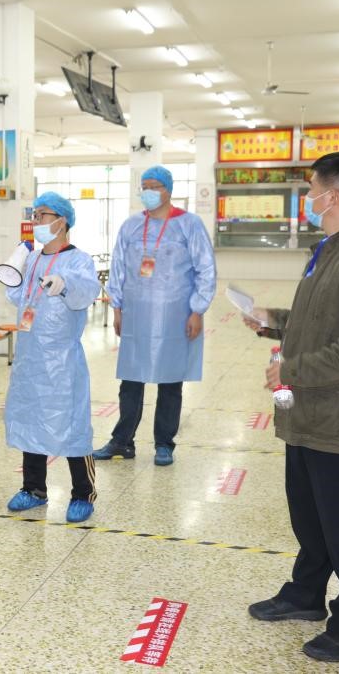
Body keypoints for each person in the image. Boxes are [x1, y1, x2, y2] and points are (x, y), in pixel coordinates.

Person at [243, 151, 339, 663]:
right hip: (309, 416)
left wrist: (294, 369)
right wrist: (273, 320)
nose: (307, 198)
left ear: (332, 196)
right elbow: (320, 322)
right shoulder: (329, 251)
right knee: (311, 519)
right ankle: (306, 593)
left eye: (312, 189)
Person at [93, 165, 216, 466]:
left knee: (170, 381)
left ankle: (164, 443)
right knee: (131, 381)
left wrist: (197, 310)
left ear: (168, 190)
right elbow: (119, 268)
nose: (147, 192)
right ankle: (122, 441)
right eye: (144, 186)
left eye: (154, 186)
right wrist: (117, 307)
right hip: (136, 315)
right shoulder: (132, 226)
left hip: (175, 315)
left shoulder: (189, 225)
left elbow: (205, 269)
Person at [3, 193, 101, 521]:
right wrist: (13, 272)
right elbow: (18, 297)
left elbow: (86, 292)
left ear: (62, 220)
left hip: (62, 360)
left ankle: (83, 493)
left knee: (72, 424)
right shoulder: (32, 258)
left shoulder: (79, 260)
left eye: (42, 215)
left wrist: (65, 283)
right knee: (31, 419)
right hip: (30, 356)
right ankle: (34, 489)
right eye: (34, 215)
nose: (36, 221)